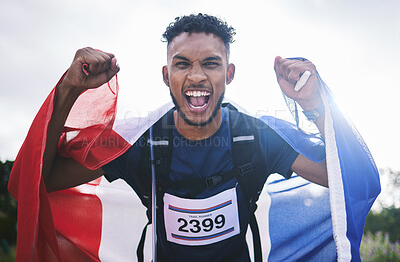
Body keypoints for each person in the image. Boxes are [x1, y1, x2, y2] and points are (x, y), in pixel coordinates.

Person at [41, 14, 329, 261]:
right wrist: (69, 88)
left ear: (229, 74)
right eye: (182, 64)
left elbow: (341, 177)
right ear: (167, 76)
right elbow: (40, 181)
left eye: (211, 64)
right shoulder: (139, 141)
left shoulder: (255, 136)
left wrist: (315, 104)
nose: (196, 76)